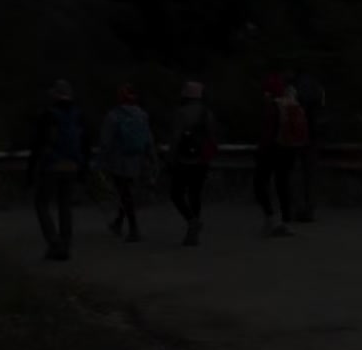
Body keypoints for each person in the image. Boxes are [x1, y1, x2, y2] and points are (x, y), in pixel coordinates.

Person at [26, 80, 92, 262]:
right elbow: (86, 144)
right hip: (72, 165)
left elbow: (38, 144)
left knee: (41, 203)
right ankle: (65, 245)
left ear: (55, 95)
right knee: (65, 206)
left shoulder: (48, 115)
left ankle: (54, 243)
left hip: (52, 165)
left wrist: (30, 171)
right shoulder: (78, 115)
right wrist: (84, 169)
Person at [98, 84, 157, 242]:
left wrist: (101, 161)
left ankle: (133, 228)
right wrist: (152, 158)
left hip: (119, 161)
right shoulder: (142, 115)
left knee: (124, 194)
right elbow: (148, 139)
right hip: (137, 160)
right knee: (127, 193)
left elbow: (105, 141)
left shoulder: (113, 116)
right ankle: (119, 223)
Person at [254, 75, 308, 237]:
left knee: (260, 183)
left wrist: (261, 150)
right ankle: (286, 222)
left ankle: (270, 219)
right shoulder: (292, 104)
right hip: (289, 150)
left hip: (272, 150)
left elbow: (267, 132)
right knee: (283, 185)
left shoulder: (272, 107)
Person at [169, 79, 219, 246]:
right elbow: (212, 139)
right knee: (195, 195)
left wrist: (171, 158)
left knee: (176, 194)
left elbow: (175, 138)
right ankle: (193, 232)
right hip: (201, 161)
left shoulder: (181, 113)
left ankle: (191, 221)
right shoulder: (207, 113)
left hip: (184, 160)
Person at [292, 70, 326, 221]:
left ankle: (299, 208)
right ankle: (309, 208)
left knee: (297, 174)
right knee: (310, 174)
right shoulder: (318, 89)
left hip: (299, 136)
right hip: (312, 136)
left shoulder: (296, 89)